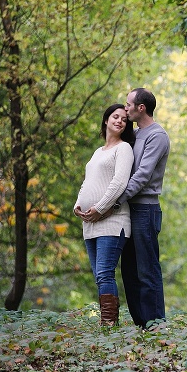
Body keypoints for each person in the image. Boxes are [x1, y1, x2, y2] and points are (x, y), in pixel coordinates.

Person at [74, 104, 135, 327]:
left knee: (105, 273)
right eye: (115, 117)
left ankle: (109, 324)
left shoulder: (124, 148)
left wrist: (99, 208)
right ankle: (108, 324)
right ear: (106, 120)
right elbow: (87, 183)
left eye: (124, 119)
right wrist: (78, 205)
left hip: (113, 220)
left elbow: (120, 183)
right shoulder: (98, 152)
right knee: (99, 275)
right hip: (90, 223)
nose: (119, 121)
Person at [115, 87, 171, 329]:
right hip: (127, 209)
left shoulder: (157, 136)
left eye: (128, 104)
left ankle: (156, 323)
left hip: (145, 210)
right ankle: (141, 323)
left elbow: (143, 176)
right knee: (129, 269)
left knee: (147, 269)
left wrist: (116, 199)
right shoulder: (134, 135)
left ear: (141, 108)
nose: (125, 108)